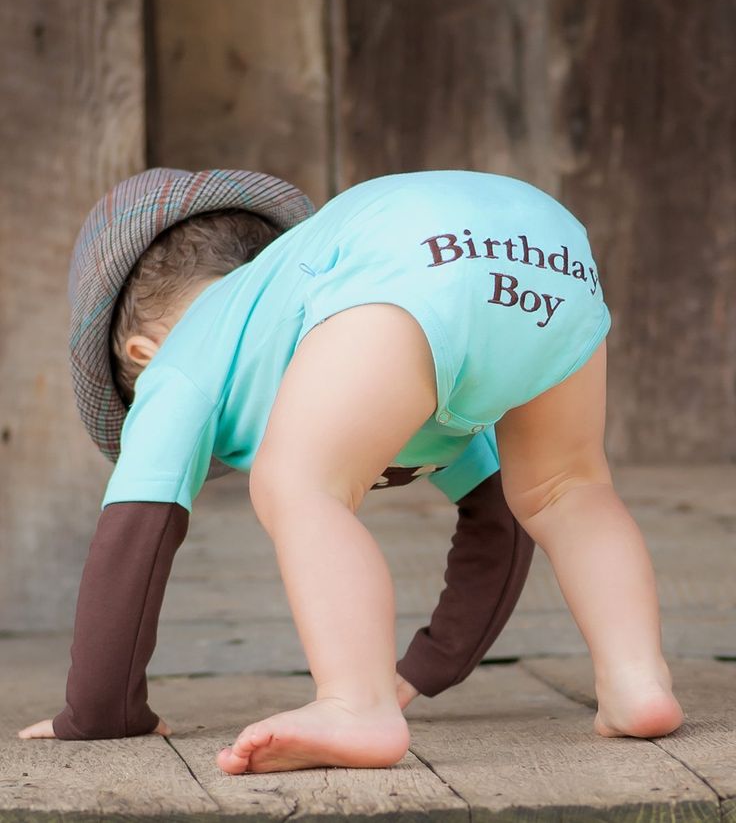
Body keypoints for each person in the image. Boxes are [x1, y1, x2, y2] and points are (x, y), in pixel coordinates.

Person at [19, 167, 683, 774]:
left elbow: (133, 532)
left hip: (413, 257)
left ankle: (355, 702)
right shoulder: (326, 309)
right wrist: (425, 667)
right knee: (568, 490)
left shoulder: (176, 363)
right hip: (552, 246)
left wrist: (102, 709)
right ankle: (636, 682)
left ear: (141, 353)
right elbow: (500, 524)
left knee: (298, 484)